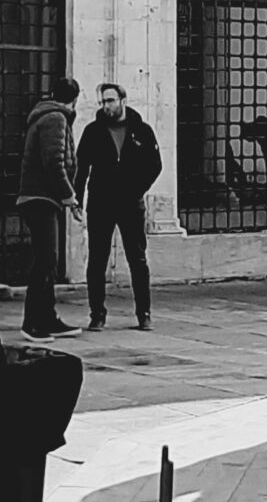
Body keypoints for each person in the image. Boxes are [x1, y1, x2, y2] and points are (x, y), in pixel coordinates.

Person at [74, 80, 163, 330]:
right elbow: (82, 167)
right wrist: (77, 200)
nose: (106, 106)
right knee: (97, 260)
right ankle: (97, 314)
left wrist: (136, 190)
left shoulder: (141, 130)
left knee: (137, 259)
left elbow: (154, 165)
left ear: (122, 101)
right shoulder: (93, 131)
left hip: (130, 203)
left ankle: (143, 313)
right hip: (101, 202)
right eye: (103, 101)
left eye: (110, 101)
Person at [15, 76, 81, 339]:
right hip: (40, 199)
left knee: (48, 261)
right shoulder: (56, 118)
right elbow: (54, 163)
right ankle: (33, 322)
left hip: (40, 198)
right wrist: (69, 196)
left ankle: (48, 317)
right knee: (46, 260)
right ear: (75, 98)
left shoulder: (47, 116)